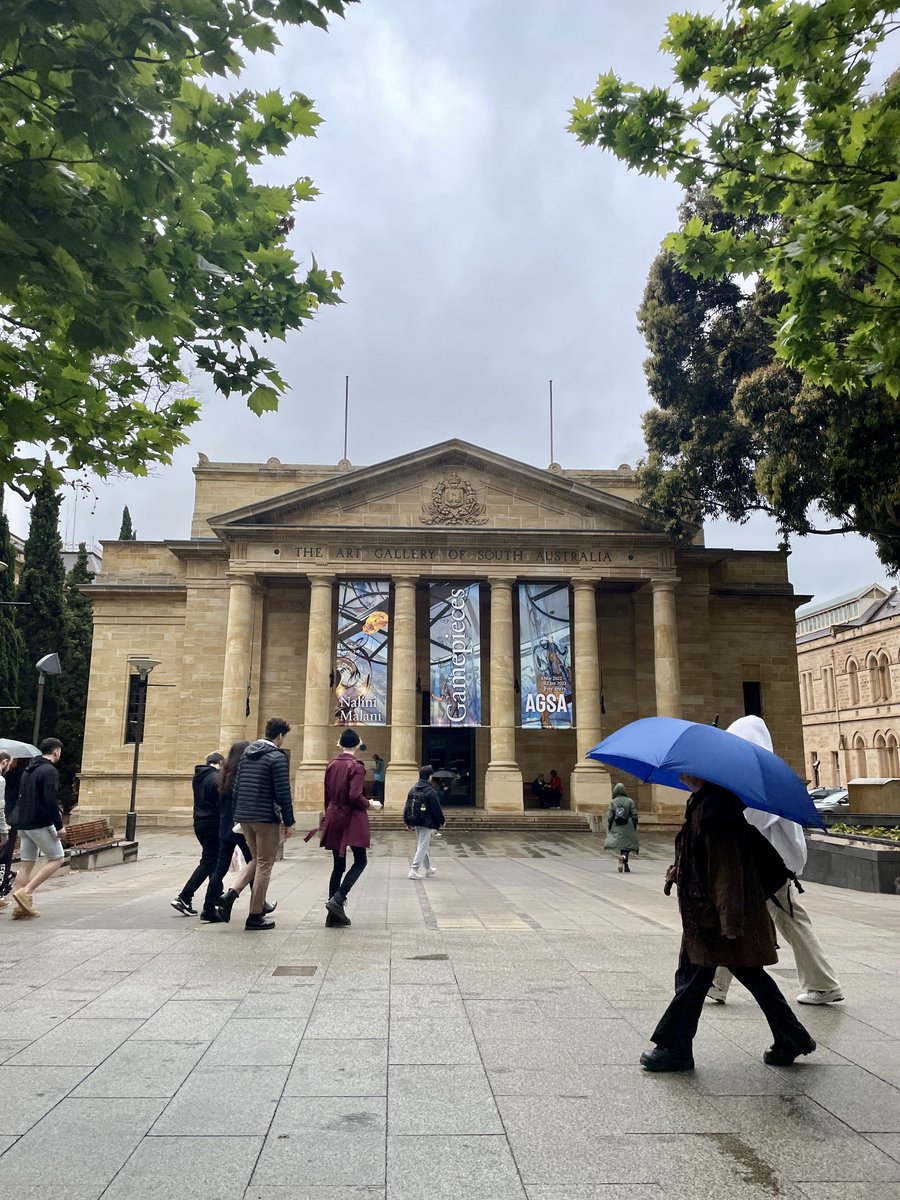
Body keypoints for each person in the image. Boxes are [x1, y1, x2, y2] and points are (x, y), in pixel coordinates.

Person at [640, 770, 816, 1073]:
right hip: (711, 913)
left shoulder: (715, 809)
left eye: (686, 766)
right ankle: (792, 1037)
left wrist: (730, 922)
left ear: (700, 772)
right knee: (750, 977)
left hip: (716, 918)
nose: (680, 771)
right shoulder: (706, 802)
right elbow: (705, 859)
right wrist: (679, 872)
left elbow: (726, 868)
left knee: (693, 980)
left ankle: (675, 1047)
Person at [707, 716, 843, 1007]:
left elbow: (750, 820)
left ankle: (823, 984)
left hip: (766, 867)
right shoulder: (771, 776)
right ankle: (715, 984)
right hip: (771, 865)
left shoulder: (759, 781)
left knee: (763, 920)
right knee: (742, 918)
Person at [233, 717, 294, 931]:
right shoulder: (276, 757)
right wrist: (289, 821)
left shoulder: (246, 755)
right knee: (265, 865)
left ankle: (231, 894)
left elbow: (237, 787)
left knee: (258, 859)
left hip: (245, 816)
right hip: (265, 818)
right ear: (279, 736)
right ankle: (255, 915)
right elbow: (283, 793)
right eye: (283, 737)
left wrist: (237, 814)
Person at [202, 740, 273, 925]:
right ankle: (258, 905)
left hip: (225, 828)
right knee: (256, 864)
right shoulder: (242, 776)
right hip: (240, 828)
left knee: (221, 869)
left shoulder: (223, 776)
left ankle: (208, 908)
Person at [321, 728, 382, 927]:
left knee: (338, 866)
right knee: (360, 861)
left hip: (334, 814)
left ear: (340, 744)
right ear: (356, 745)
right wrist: (369, 804)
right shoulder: (355, 766)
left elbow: (327, 794)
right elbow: (355, 795)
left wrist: (328, 814)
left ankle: (332, 916)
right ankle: (338, 899)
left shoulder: (331, 764)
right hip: (351, 817)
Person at [10, 738, 66, 918]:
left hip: (23, 823)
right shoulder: (49, 771)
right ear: (56, 751)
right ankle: (26, 892)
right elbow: (49, 800)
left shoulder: (28, 769)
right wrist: (59, 825)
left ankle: (20, 907)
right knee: (57, 858)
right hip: (40, 823)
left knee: (27, 863)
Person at [170, 751, 224, 917]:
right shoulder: (215, 778)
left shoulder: (199, 777)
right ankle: (184, 896)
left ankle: (214, 900)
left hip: (199, 822)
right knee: (209, 862)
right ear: (220, 763)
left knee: (213, 862)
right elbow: (219, 804)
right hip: (212, 824)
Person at [404, 765, 445, 879]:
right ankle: (414, 869)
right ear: (430, 776)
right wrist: (441, 821)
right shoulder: (430, 791)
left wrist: (407, 821)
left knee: (422, 844)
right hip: (426, 822)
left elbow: (407, 806)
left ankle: (428, 868)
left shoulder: (413, 789)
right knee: (423, 845)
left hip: (415, 820)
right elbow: (436, 808)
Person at [604, 781, 639, 872]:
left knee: (622, 845)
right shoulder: (630, 801)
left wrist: (610, 825)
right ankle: (624, 860)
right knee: (627, 845)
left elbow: (610, 816)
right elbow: (635, 814)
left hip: (617, 825)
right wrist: (634, 824)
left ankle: (624, 861)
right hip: (628, 825)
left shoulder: (613, 802)